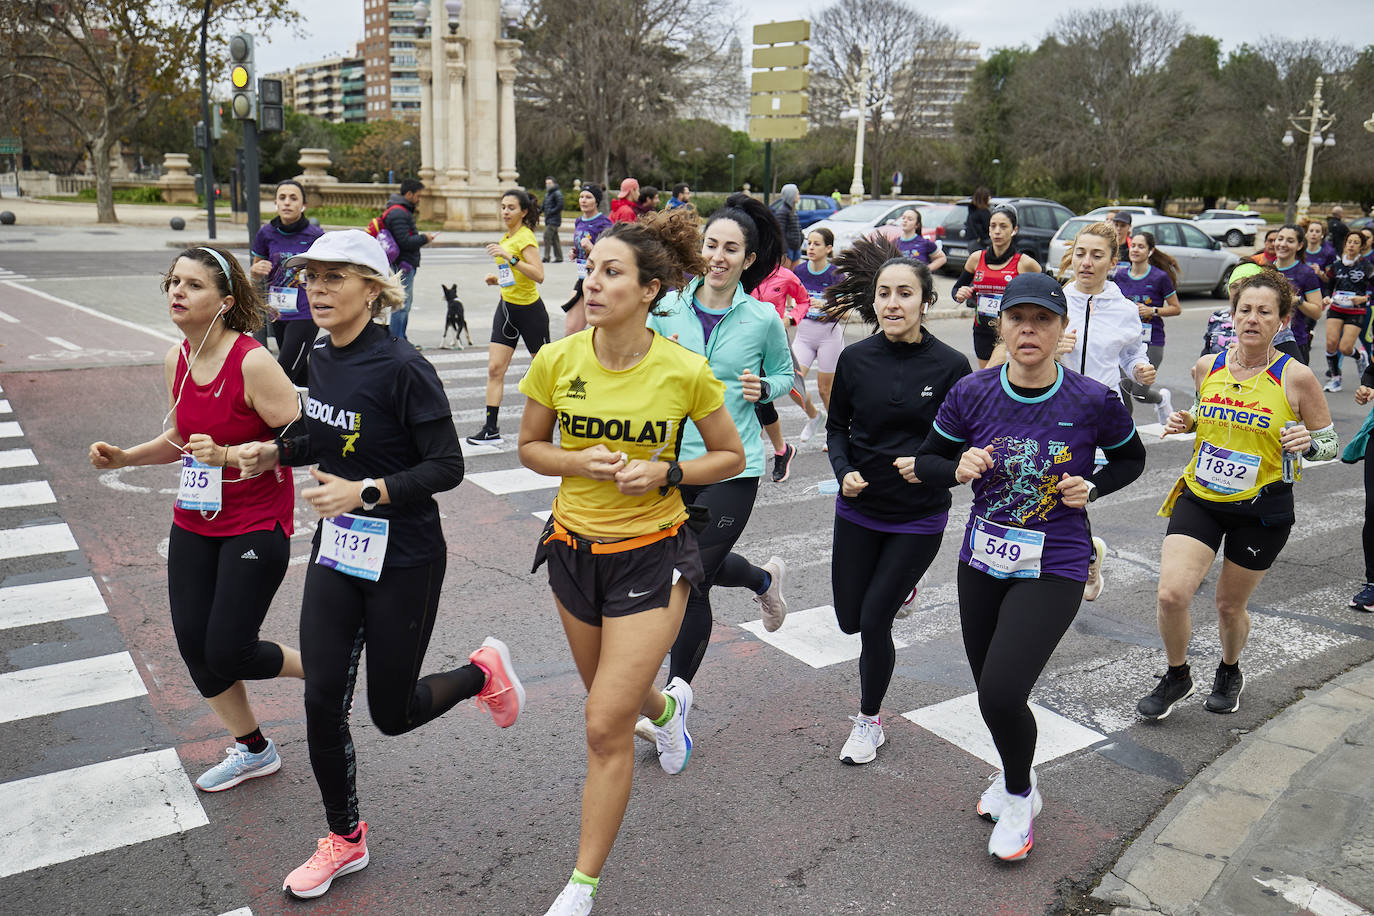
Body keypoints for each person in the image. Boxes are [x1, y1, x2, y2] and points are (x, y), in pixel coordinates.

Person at [234, 230, 523, 899]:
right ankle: (344, 837)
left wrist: (366, 491)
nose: (319, 289)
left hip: (406, 558)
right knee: (319, 698)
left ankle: (481, 673)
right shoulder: (314, 351)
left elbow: (447, 466)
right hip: (337, 549)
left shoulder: (403, 366)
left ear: (373, 287)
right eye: (311, 278)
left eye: (336, 277)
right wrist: (274, 453)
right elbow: (324, 432)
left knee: (391, 713)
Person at [516, 209, 746, 915]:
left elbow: (730, 457)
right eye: (590, 270)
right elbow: (530, 448)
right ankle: (669, 709)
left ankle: (581, 886)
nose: (593, 282)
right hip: (573, 553)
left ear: (649, 290)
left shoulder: (683, 369)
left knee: (601, 725)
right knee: (621, 701)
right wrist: (575, 460)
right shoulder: (558, 360)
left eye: (611, 272)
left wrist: (668, 473)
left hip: (654, 555)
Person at [915, 271, 1146, 861]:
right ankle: (1011, 772)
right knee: (991, 688)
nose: (1029, 330)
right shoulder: (974, 392)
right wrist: (957, 466)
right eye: (1018, 319)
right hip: (983, 556)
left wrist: (1092, 486)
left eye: (1043, 320)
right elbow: (928, 461)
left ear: (1062, 330)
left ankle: (1021, 794)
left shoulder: (1093, 399)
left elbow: (1132, 460)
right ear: (1001, 326)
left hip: (1056, 559)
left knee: (999, 690)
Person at [88, 245, 304, 792]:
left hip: (257, 518)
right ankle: (254, 749)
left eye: (192, 285)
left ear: (226, 301)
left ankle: (328, 667)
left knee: (230, 648)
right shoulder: (176, 358)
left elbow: (301, 439)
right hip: (196, 515)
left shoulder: (252, 360)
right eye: (173, 282)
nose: (177, 292)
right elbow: (183, 440)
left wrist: (233, 456)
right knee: (194, 645)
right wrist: (127, 456)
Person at [1139, 267, 1335, 721]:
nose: (1252, 318)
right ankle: (1177, 674)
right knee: (1171, 594)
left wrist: (1309, 442)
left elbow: (1329, 444)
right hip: (1201, 495)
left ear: (1282, 321)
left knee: (1229, 605)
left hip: (1261, 508)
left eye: (1264, 312)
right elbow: (1206, 416)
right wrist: (1188, 421)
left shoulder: (1297, 377)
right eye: (1244, 309)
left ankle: (1229, 669)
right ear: (1232, 314)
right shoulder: (1209, 366)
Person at [820, 237, 971, 764]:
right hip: (859, 508)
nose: (892, 303)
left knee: (875, 620)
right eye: (884, 293)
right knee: (848, 619)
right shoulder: (856, 359)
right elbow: (837, 429)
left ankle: (869, 722)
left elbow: (965, 448)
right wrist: (844, 473)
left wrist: (933, 469)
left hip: (918, 516)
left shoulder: (951, 366)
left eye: (904, 293)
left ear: (925, 301)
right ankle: (897, 593)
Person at [645, 192, 794, 697]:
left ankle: (675, 701)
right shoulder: (665, 306)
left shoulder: (763, 318)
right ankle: (762, 581)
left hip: (735, 466)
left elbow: (783, 373)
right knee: (684, 561)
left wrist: (765, 388)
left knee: (689, 581)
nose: (718, 256)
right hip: (670, 462)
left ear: (748, 260)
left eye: (731, 248)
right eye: (711, 244)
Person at [1051, 221, 1156, 601]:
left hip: (1096, 414)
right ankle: (1084, 554)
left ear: (1113, 262)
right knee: (1054, 489)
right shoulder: (1055, 301)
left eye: (1097, 255)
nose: (1086, 262)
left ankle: (1076, 558)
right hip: (1051, 407)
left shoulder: (1125, 309)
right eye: (1080, 253)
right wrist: (1053, 348)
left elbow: (1132, 354)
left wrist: (1139, 369)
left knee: (1070, 490)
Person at [467, 189, 548, 446]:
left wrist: (509, 256)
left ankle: (562, 421)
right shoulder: (507, 237)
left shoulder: (525, 238)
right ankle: (491, 429)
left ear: (523, 212)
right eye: (503, 207)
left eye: (511, 207)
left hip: (530, 312)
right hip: (506, 309)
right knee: (495, 369)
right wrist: (499, 280)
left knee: (546, 372)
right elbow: (514, 275)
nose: (505, 212)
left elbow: (538, 274)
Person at [250, 180, 323, 385]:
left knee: (282, 373)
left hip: (306, 312)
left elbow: (329, 270)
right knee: (299, 374)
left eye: (293, 198)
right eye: (282, 198)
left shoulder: (315, 235)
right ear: (275, 203)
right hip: (278, 312)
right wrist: (256, 271)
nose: (287, 203)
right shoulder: (266, 233)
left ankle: (277, 416)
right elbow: (256, 269)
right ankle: (313, 411)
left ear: (303, 205)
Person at [951, 204, 1040, 368]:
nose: (997, 231)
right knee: (986, 378)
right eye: (993, 226)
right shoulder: (976, 259)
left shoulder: (1024, 263)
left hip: (1011, 331)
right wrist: (960, 293)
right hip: (982, 330)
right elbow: (956, 289)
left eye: (1003, 226)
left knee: (999, 376)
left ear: (1014, 230)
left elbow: (1045, 292)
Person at [1114, 230, 1181, 424]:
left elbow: (1176, 308)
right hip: (1126, 341)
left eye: (1141, 246)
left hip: (1152, 340)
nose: (1135, 249)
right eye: (1133, 245)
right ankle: (1125, 429)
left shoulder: (1159, 277)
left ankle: (1161, 399)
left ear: (1150, 251)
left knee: (1139, 393)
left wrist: (1153, 311)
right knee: (1122, 387)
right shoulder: (1119, 276)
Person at [749, 263, 808, 476]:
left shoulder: (785, 276)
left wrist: (791, 318)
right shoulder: (745, 272)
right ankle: (775, 453)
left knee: (761, 400)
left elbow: (804, 300)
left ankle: (776, 452)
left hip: (772, 342)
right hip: (744, 339)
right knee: (747, 402)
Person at [793, 227, 845, 443]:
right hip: (804, 334)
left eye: (816, 244)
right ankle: (814, 417)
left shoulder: (836, 274)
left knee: (826, 390)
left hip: (828, 335)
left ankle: (836, 433)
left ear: (829, 248)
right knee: (792, 382)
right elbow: (792, 300)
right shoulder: (800, 271)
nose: (810, 248)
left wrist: (824, 307)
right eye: (809, 243)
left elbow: (844, 311)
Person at [383, 178, 439, 344]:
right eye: (418, 195)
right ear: (409, 194)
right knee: (401, 305)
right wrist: (425, 238)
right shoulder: (399, 212)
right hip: (403, 265)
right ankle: (396, 342)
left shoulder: (401, 210)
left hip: (404, 263)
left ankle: (401, 339)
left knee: (404, 304)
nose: (419, 199)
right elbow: (404, 241)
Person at [1322, 230, 1374, 391]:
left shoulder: (1366, 266)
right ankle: (1335, 378)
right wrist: (1326, 296)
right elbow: (1329, 285)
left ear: (1362, 247)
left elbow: (1373, 287)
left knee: (1345, 348)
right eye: (1349, 242)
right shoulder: (1336, 266)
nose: (1351, 245)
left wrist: (1365, 298)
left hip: (1356, 310)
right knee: (1331, 344)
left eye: (1356, 243)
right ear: (1345, 244)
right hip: (1337, 308)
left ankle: (1360, 357)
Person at [562, 184, 613, 336]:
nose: (583, 200)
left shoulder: (604, 224)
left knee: (601, 328)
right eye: (581, 196)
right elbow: (579, 246)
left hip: (600, 280)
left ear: (596, 201)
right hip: (582, 277)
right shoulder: (579, 221)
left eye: (588, 197)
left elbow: (610, 255)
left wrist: (592, 249)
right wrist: (575, 252)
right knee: (571, 330)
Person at [1272, 223, 1325, 363]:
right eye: (1280, 239)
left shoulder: (1306, 273)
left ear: (1299, 245)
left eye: (1290, 241)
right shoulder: (1265, 269)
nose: (1282, 244)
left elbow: (1317, 312)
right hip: (1266, 343)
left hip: (1295, 342)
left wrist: (1297, 300)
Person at [893, 207, 947, 272]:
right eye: (903, 218)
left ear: (917, 225)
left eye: (910, 219)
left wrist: (925, 270)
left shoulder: (924, 243)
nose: (905, 221)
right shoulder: (893, 243)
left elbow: (942, 258)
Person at [777, 183, 803, 267]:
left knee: (794, 275)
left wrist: (801, 239)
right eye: (797, 194)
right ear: (791, 195)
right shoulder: (782, 211)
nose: (799, 196)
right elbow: (780, 232)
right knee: (786, 275)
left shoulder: (793, 210)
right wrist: (784, 251)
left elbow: (798, 228)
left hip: (796, 248)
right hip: (788, 250)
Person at [542, 176, 564, 263]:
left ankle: (546, 257)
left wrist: (551, 211)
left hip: (554, 220)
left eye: (549, 183)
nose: (548, 185)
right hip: (549, 219)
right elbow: (544, 205)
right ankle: (559, 257)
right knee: (555, 239)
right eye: (546, 183)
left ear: (554, 183)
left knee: (546, 236)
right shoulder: (547, 194)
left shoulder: (557, 193)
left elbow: (560, 205)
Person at [964, 187, 991, 252]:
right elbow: (987, 227)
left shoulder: (972, 211)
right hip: (982, 243)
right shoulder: (984, 213)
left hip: (972, 242)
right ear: (985, 198)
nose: (990, 198)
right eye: (989, 196)